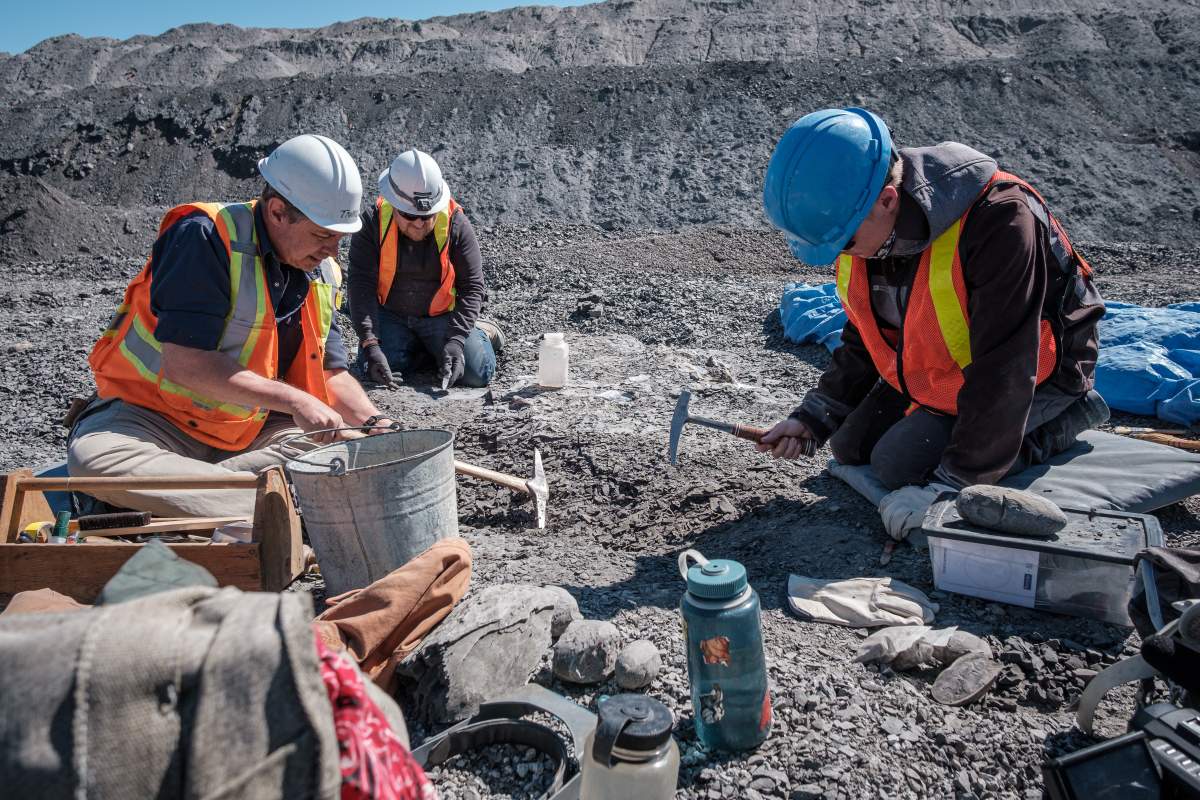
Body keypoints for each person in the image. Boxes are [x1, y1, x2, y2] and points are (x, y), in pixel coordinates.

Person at [757, 108, 1107, 539]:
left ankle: (1067, 416)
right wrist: (813, 417)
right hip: (947, 365)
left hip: (1041, 370)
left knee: (897, 465)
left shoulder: (1000, 219)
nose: (840, 256)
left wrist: (951, 485)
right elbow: (866, 331)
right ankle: (939, 421)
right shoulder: (870, 229)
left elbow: (1007, 364)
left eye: (844, 243)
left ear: (887, 199)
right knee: (848, 444)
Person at [69, 134, 400, 518]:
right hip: (151, 422)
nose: (332, 251)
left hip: (248, 434)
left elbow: (328, 371)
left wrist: (376, 423)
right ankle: (271, 504)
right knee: (96, 462)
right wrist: (295, 400)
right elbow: (187, 363)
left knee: (348, 456)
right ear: (277, 212)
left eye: (339, 239)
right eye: (324, 235)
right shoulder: (206, 236)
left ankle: (190, 499)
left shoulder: (322, 271)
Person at [348, 149, 500, 391]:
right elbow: (360, 285)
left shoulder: (456, 224)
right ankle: (424, 348)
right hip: (391, 315)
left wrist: (457, 339)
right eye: (410, 215)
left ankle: (483, 332)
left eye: (427, 215)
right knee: (380, 366)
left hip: (441, 317)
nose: (419, 223)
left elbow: (472, 288)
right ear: (393, 203)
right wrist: (370, 343)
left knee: (476, 373)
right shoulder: (372, 223)